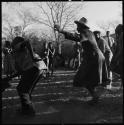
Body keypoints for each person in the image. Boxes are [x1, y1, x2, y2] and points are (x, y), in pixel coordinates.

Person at [54, 17, 108, 103]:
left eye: (78, 25)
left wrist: (61, 30)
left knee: (83, 78)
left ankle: (95, 96)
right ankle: (95, 96)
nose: (77, 27)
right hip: (97, 56)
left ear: (81, 26)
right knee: (89, 78)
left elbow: (76, 37)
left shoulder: (84, 32)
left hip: (93, 57)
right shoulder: (90, 33)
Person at [11, 36, 42, 116]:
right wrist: (9, 77)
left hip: (34, 67)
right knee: (26, 90)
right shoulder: (17, 53)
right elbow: (22, 71)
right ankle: (27, 109)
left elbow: (27, 42)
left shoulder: (19, 46)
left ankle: (29, 111)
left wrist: (33, 57)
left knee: (22, 89)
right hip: (38, 67)